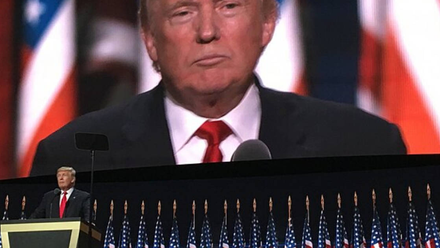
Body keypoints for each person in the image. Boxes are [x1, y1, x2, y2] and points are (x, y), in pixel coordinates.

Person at [30, 0, 406, 176]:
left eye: (229, 6)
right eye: (183, 11)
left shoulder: (363, 148)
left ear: (267, 24)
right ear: (149, 39)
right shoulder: (70, 160)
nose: (207, 31)